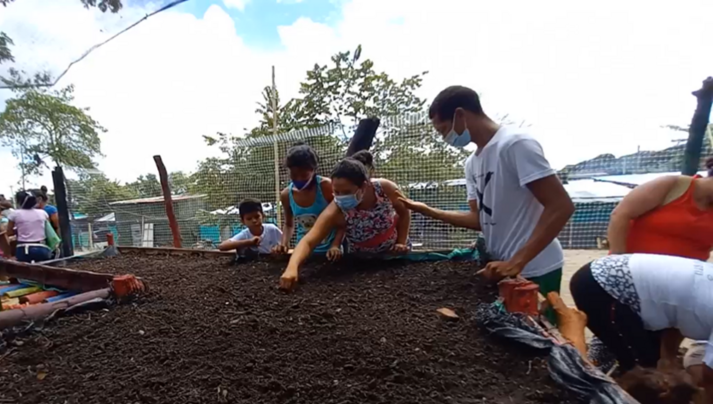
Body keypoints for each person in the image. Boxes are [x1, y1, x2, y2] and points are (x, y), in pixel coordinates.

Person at [404, 86, 574, 295]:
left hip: (534, 267)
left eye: (444, 129)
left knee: (537, 325)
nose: (444, 138)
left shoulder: (515, 144)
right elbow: (479, 220)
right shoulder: (472, 163)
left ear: (460, 115)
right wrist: (427, 210)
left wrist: (516, 262)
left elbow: (560, 206)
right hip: (499, 268)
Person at [569, 254, 713, 404]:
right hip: (606, 286)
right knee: (645, 377)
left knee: (651, 368)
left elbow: (679, 312)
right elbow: (709, 375)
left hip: (618, 277)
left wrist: (667, 357)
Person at [280, 158, 411, 291]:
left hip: (393, 255)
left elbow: (404, 212)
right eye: (336, 192)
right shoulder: (336, 208)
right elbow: (309, 240)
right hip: (360, 261)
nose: (341, 197)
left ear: (363, 186)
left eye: (347, 192)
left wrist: (401, 242)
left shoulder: (385, 188)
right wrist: (292, 268)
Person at [607, 157, 713, 260]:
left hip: (685, 275)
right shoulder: (674, 185)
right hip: (634, 269)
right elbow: (621, 214)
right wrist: (618, 261)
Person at [271, 144, 343, 259]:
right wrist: (283, 244)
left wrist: (335, 245)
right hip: (304, 252)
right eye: (294, 175)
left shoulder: (326, 187)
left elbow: (342, 220)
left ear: (313, 170)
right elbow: (289, 224)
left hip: (330, 253)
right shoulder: (286, 195)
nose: (299, 179)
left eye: (304, 175)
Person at [218, 200, 283, 255]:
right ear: (242, 221)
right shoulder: (245, 234)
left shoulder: (272, 229)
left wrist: (279, 248)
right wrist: (249, 242)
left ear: (263, 216)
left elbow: (285, 242)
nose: (254, 220)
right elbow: (222, 246)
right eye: (249, 219)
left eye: (257, 217)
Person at [7, 191, 52, 263]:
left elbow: (9, 232)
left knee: (25, 272)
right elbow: (48, 229)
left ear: (19, 201)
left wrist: (18, 231)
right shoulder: (43, 213)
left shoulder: (15, 214)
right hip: (41, 247)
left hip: (23, 248)